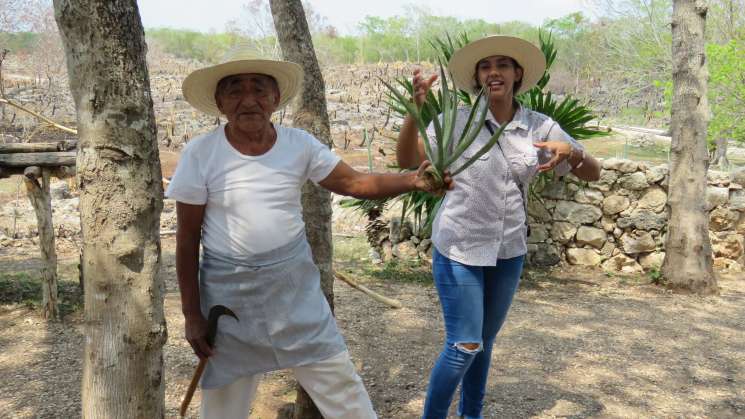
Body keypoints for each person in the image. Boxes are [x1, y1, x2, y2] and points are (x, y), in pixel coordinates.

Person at [166, 46, 450, 419]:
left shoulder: (299, 145)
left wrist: (412, 180)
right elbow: (186, 240)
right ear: (220, 102)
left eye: (259, 89)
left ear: (276, 98)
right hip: (228, 297)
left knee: (340, 385)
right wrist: (191, 314)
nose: (248, 99)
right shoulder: (200, 153)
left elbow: (354, 182)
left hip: (293, 288)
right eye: (235, 90)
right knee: (223, 401)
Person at [395, 35, 601, 419]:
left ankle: (471, 415)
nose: (494, 72)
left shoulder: (539, 126)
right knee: (465, 345)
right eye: (485, 66)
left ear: (517, 73)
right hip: (459, 247)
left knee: (485, 342)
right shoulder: (455, 121)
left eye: (503, 65)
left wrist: (572, 151)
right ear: (477, 76)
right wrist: (414, 110)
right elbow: (407, 159)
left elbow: (593, 173)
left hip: (508, 251)